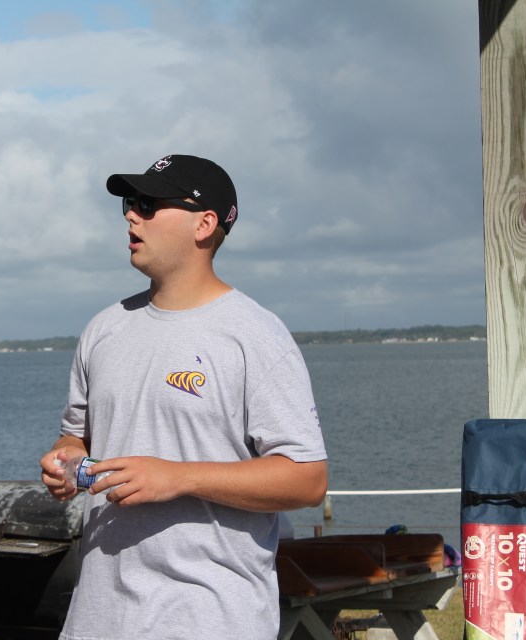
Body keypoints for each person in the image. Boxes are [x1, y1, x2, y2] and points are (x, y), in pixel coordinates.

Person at [40, 155, 328, 639]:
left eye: (148, 205)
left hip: (209, 619)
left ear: (204, 224)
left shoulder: (255, 335)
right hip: (96, 619)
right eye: (130, 204)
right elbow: (75, 439)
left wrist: (179, 477)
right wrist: (65, 462)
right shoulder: (103, 329)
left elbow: (307, 479)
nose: (132, 217)